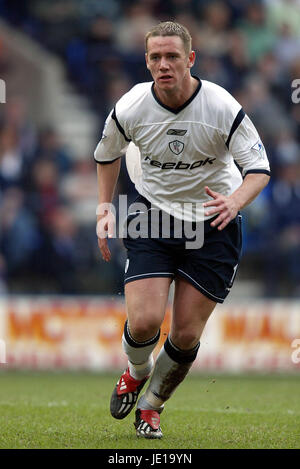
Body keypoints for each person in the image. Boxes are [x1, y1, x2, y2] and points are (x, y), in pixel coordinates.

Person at [94, 21, 270, 439]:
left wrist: (234, 201)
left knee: (187, 334)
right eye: (155, 57)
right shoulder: (131, 106)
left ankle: (151, 408)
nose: (163, 64)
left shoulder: (222, 107)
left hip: (214, 221)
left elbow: (259, 170)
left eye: (172, 56)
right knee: (144, 323)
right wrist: (104, 210)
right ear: (147, 62)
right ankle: (137, 372)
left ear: (191, 59)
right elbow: (106, 155)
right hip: (153, 216)